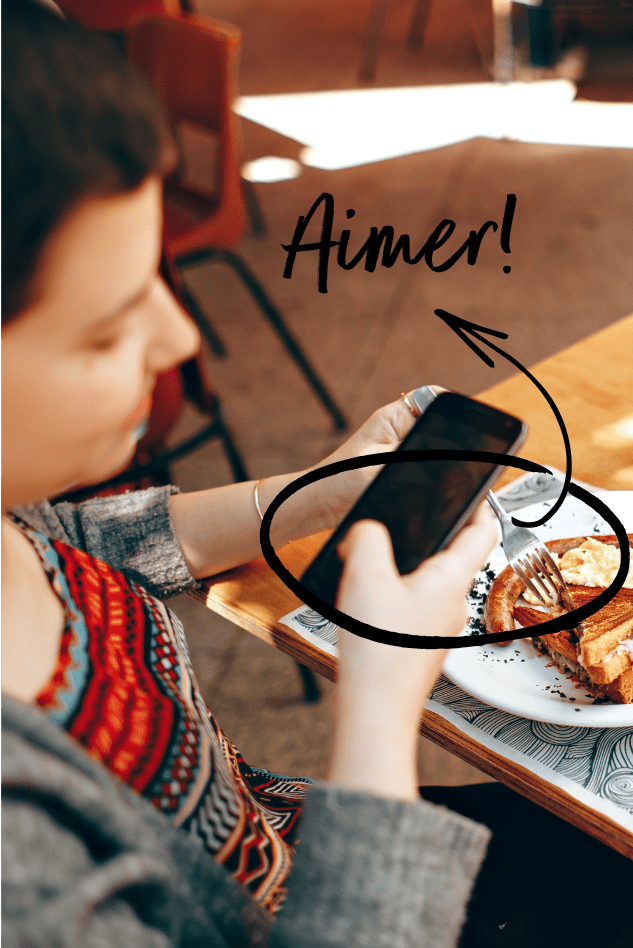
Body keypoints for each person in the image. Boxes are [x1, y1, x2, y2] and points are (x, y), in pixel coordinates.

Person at [4, 5, 631, 948]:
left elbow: (73, 543)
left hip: (290, 828)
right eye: (107, 325)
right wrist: (379, 702)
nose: (179, 340)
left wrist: (310, 490)